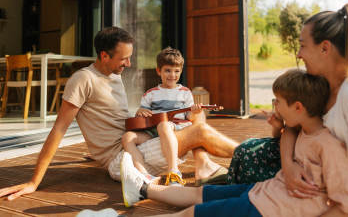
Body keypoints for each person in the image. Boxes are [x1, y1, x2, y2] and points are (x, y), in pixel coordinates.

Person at [0, 27, 238, 201]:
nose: (129, 63)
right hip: (124, 156)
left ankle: (203, 164)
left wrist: (95, 150)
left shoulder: (114, 75)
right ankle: (257, 156)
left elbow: (110, 119)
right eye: (124, 58)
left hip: (138, 140)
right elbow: (59, 129)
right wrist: (34, 182)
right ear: (104, 55)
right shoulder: (83, 79)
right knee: (200, 131)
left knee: (197, 116)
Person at [120, 69, 348, 217]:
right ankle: (143, 188)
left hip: (267, 209)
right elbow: (284, 140)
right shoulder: (301, 129)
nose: (274, 107)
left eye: (278, 102)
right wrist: (277, 127)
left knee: (192, 213)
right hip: (264, 191)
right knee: (200, 193)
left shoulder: (328, 146)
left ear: (298, 107)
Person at [228, 2, 348, 216]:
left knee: (249, 160)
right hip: (308, 162)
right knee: (248, 150)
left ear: (325, 48)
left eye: (303, 45)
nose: (299, 54)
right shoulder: (322, 82)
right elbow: (292, 128)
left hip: (334, 182)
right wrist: (288, 166)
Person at [122, 47, 211, 186]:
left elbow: (189, 116)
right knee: (127, 137)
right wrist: (140, 110)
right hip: (154, 130)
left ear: (181, 71)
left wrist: (195, 111)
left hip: (177, 127)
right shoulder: (150, 93)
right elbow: (143, 112)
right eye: (168, 70)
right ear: (159, 71)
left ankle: (173, 171)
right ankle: (144, 174)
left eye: (176, 71)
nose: (172, 75)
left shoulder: (185, 92)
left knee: (164, 125)